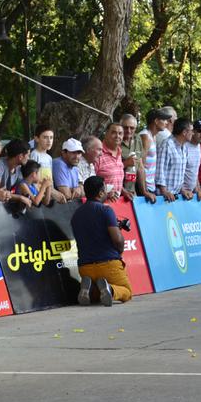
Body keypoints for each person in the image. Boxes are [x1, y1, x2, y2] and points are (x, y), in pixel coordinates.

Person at [71, 175, 132, 306]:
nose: (106, 192)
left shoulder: (76, 215)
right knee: (127, 292)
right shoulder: (105, 210)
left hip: (85, 267)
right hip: (108, 265)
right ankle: (109, 288)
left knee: (96, 297)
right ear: (100, 193)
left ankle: (90, 289)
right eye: (105, 190)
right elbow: (117, 240)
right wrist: (120, 250)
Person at [156, 117, 193, 202]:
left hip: (175, 197)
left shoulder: (184, 147)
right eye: (191, 130)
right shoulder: (167, 145)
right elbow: (160, 171)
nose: (193, 133)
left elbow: (179, 174)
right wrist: (164, 192)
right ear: (184, 132)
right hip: (163, 198)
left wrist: (182, 190)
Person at [96, 123, 130, 201]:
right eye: (113, 132)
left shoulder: (119, 152)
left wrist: (124, 192)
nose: (117, 136)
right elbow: (89, 181)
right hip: (100, 204)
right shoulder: (98, 152)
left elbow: (115, 179)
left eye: (120, 133)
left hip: (116, 203)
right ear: (106, 134)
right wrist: (106, 193)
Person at [0, 139, 35, 205]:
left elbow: (21, 186)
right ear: (20, 156)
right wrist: (20, 197)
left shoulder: (18, 168)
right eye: (28, 155)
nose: (29, 158)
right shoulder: (1, 165)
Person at [118, 113, 145, 200]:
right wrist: (125, 163)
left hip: (133, 191)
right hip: (117, 192)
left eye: (132, 128)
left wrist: (144, 191)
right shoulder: (115, 141)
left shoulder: (137, 139)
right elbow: (108, 170)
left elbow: (140, 167)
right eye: (125, 127)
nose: (129, 131)